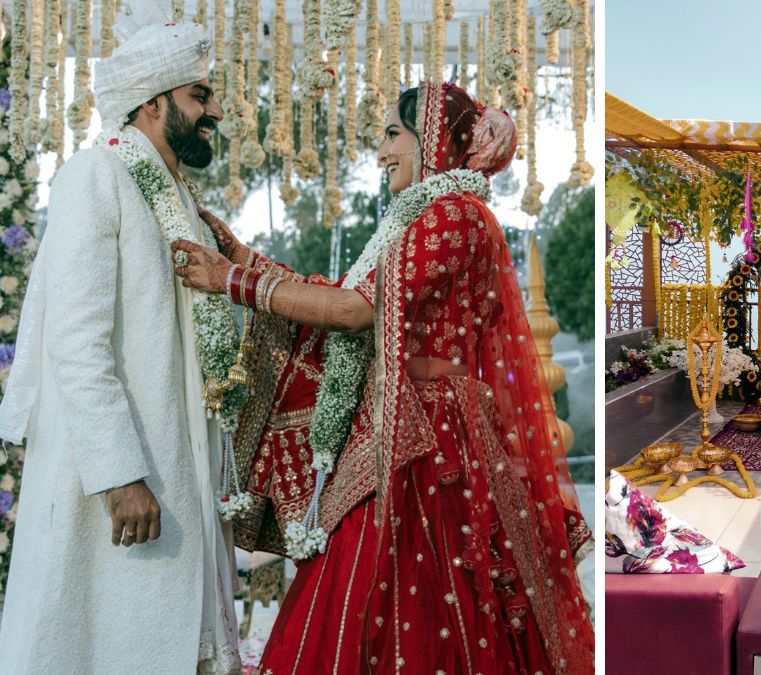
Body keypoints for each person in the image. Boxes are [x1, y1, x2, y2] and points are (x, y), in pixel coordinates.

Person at [173, 81, 595, 674]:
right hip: (404, 421)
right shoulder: (422, 217)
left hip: (428, 437)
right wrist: (244, 259)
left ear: (434, 142)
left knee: (408, 594)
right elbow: (345, 296)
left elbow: (354, 311)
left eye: (394, 134)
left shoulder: (454, 216)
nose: (381, 152)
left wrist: (232, 282)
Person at [0, 12, 242, 675]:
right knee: (93, 644)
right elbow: (76, 341)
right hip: (115, 479)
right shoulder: (95, 176)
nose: (216, 111)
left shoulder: (179, 198)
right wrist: (119, 474)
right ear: (153, 102)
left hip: (179, 463)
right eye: (200, 95)